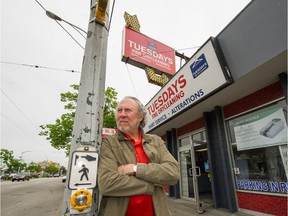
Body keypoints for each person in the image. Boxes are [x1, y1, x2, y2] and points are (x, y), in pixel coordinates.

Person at [98, 96, 180, 216]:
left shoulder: (155, 141)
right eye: (119, 110)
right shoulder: (109, 142)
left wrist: (134, 169)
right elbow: (106, 183)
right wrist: (152, 184)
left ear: (140, 117)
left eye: (128, 110)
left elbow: (173, 173)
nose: (122, 114)